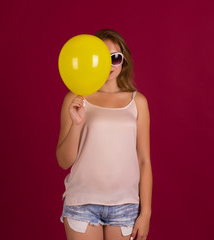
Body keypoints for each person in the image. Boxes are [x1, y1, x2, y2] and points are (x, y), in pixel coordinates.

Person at [56, 29, 152, 240]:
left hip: (125, 206)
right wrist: (77, 124)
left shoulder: (138, 102)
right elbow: (64, 161)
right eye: (101, 58)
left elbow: (144, 161)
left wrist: (146, 213)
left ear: (124, 61)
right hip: (82, 203)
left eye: (115, 58)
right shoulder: (76, 98)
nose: (109, 65)